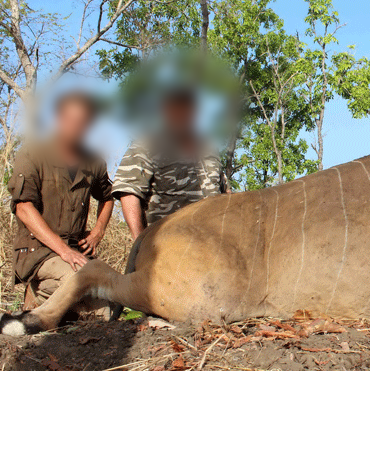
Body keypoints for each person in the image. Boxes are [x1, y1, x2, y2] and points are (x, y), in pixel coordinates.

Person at [8, 91, 114, 311]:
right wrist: (64, 251)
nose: (76, 127)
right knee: (81, 284)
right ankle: (38, 296)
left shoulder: (94, 162)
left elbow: (108, 196)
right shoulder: (32, 153)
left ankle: (47, 300)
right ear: (59, 118)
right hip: (37, 251)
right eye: (71, 120)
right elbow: (23, 208)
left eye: (83, 122)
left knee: (111, 303)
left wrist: (98, 231)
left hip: (75, 251)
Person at [113, 88, 230, 241]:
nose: (181, 115)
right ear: (165, 112)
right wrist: (140, 242)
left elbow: (226, 195)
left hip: (210, 242)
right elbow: (129, 193)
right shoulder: (147, 145)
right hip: (167, 245)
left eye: (186, 109)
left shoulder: (208, 148)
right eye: (176, 109)